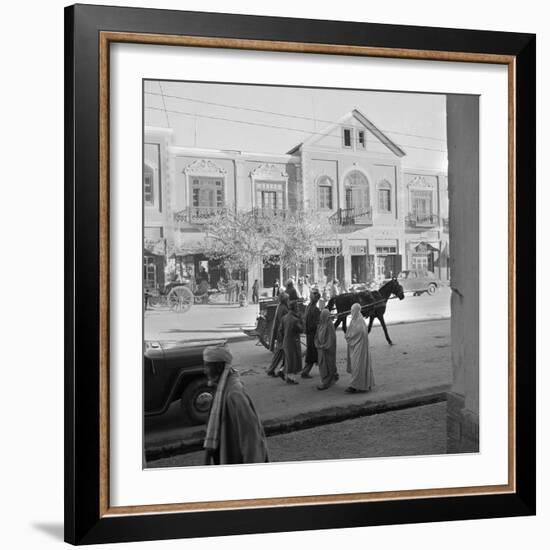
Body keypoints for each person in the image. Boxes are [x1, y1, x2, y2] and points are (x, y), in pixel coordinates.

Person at [203, 344, 269, 465]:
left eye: (208, 366)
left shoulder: (234, 394)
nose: (204, 371)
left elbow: (251, 436)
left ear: (218, 367)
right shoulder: (221, 388)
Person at [344, 303, 375, 393]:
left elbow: (354, 335)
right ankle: (365, 384)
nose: (351, 312)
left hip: (359, 349)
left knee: (357, 366)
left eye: (352, 310)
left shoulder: (359, 323)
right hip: (358, 348)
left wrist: (348, 337)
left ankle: (354, 386)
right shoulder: (357, 321)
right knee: (359, 366)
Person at [315, 308, 338, 390]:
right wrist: (317, 344)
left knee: (328, 365)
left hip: (327, 349)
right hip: (321, 349)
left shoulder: (329, 325)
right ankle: (331, 378)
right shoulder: (321, 324)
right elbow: (317, 336)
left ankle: (326, 382)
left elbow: (331, 339)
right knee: (323, 365)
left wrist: (324, 346)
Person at [281, 300, 303, 384]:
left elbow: (280, 330)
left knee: (289, 360)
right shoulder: (295, 320)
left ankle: (288, 376)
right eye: (297, 307)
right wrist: (301, 320)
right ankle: (290, 378)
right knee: (293, 361)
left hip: (286, 341)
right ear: (294, 308)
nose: (298, 308)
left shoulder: (284, 318)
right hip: (293, 342)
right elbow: (301, 330)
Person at [266, 292, 289, 376]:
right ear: (285, 300)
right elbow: (286, 322)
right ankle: (276, 369)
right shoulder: (284, 309)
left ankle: (275, 369)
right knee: (282, 352)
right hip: (282, 333)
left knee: (281, 353)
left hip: (280, 332)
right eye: (287, 299)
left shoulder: (280, 306)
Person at [301, 290, 321, 379]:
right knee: (313, 353)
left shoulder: (308, 307)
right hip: (313, 334)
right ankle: (305, 372)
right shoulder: (315, 310)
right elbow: (316, 323)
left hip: (309, 333)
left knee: (312, 352)